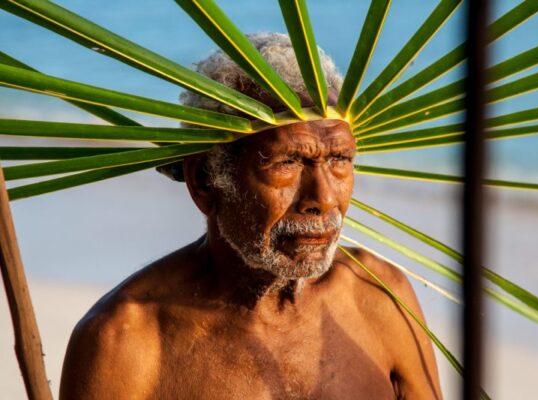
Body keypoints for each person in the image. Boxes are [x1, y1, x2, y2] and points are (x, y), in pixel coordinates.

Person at [59, 33, 441, 400]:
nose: (323, 199)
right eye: (287, 162)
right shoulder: (127, 339)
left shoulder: (379, 297)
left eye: (339, 159)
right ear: (206, 181)